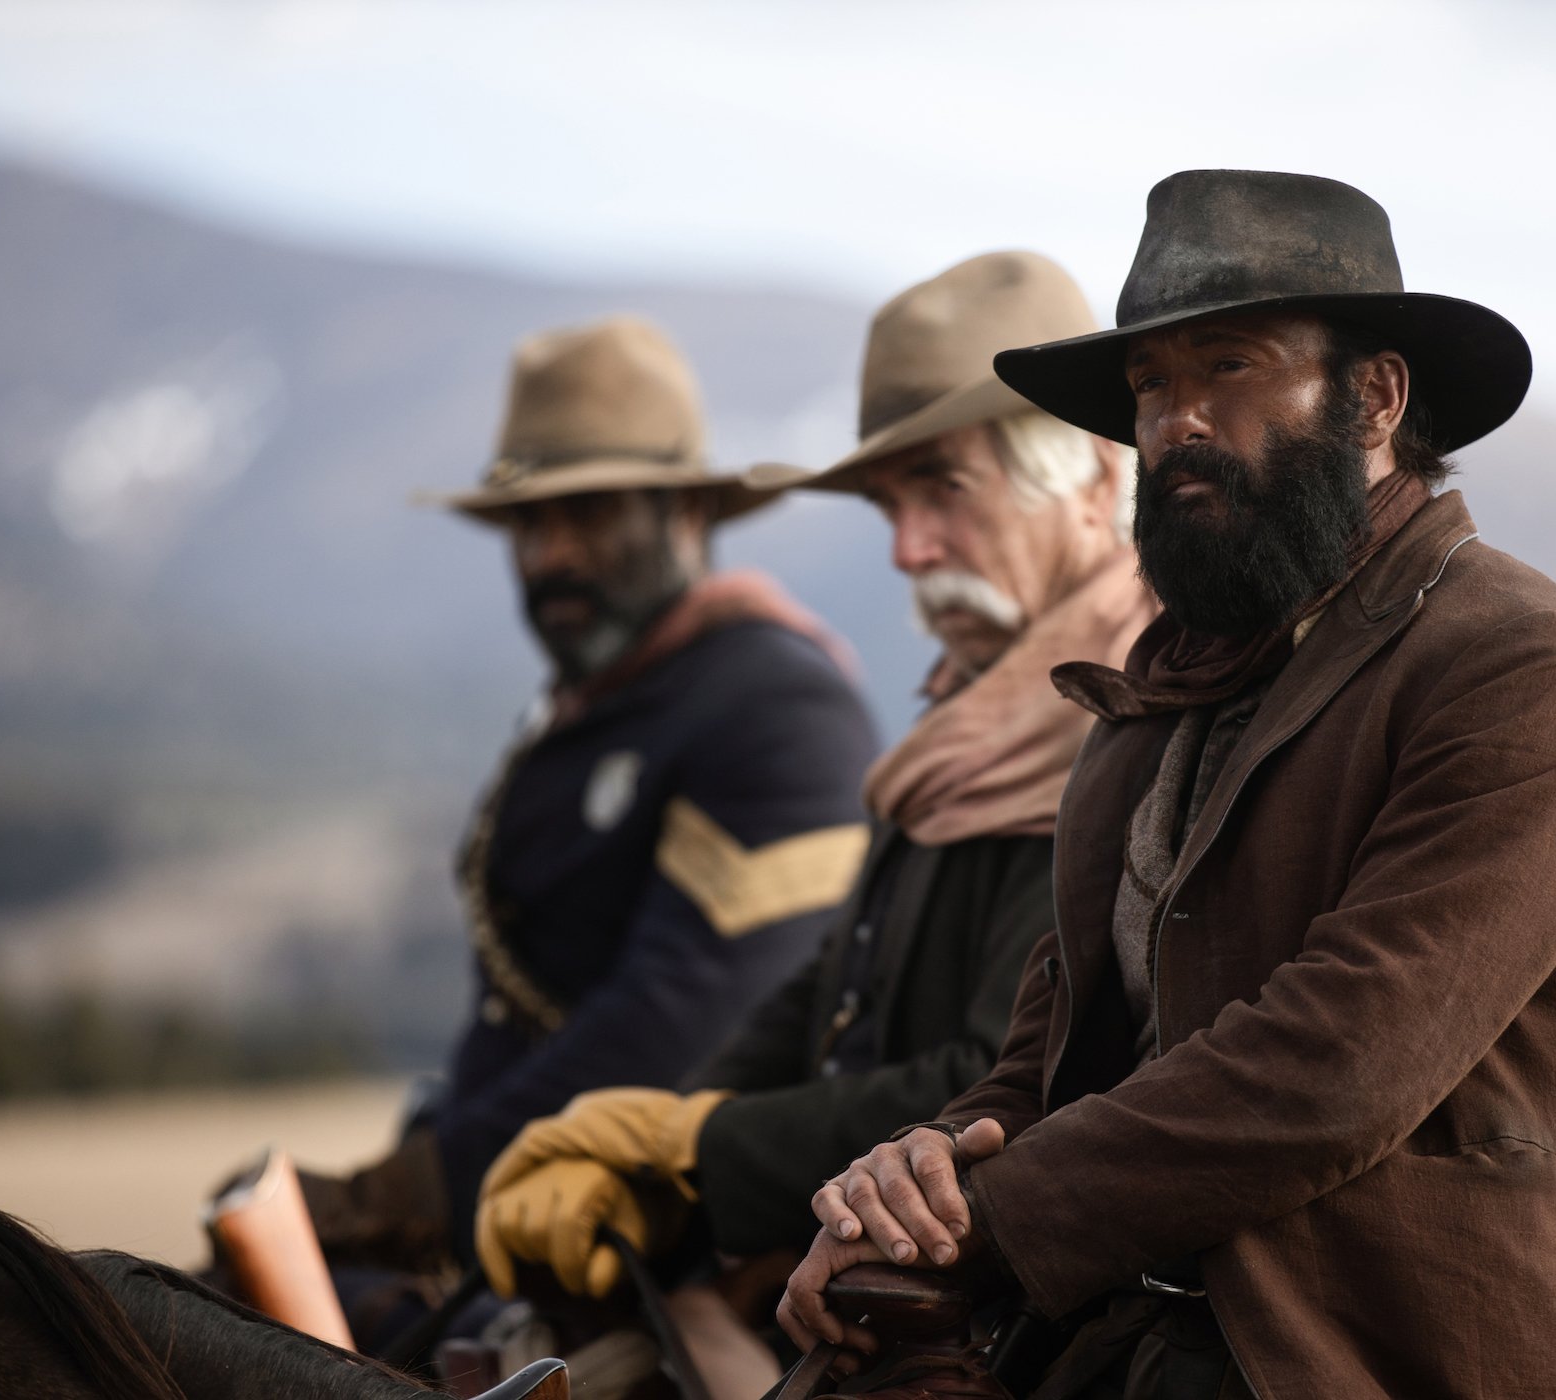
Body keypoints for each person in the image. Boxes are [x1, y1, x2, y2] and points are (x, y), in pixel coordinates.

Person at [784, 171, 1556, 1400]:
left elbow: (1339, 1061)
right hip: (1127, 1336)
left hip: (1385, 1351)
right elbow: (1051, 1057)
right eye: (1152, 384)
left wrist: (993, 1217)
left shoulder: (1528, 667)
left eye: (1231, 368)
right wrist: (918, 1174)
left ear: (1372, 396)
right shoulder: (1158, 702)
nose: (1177, 420)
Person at [470, 253, 1157, 1332]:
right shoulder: (975, 715)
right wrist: (656, 1131)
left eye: (944, 488)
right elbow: (835, 982)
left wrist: (693, 1149)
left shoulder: (1125, 718)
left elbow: (989, 1077)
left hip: (1007, 1318)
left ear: (1092, 481)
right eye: (891, 501)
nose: (907, 549)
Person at [287, 316, 877, 1342]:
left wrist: (423, 1186)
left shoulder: (778, 706)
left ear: (687, 510)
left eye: (589, 514)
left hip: (659, 1256)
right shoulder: (600, 696)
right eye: (528, 524)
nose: (551, 554)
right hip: (513, 1223)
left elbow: (685, 1022)